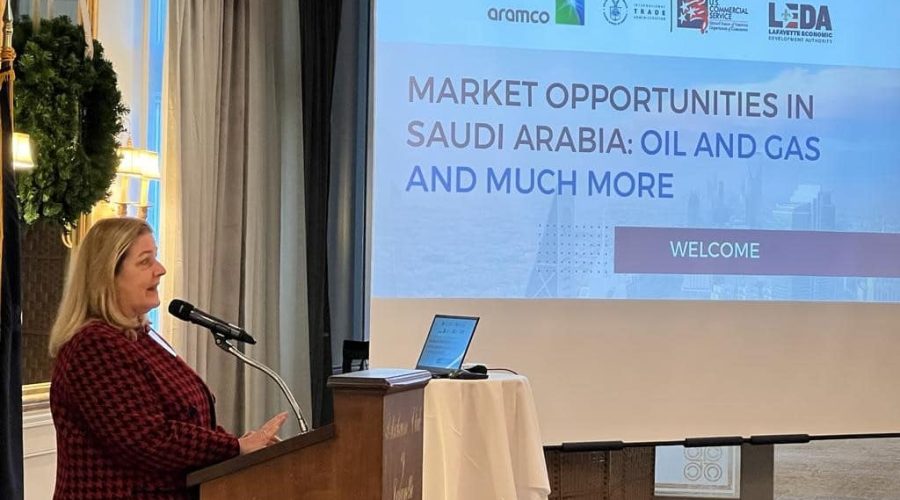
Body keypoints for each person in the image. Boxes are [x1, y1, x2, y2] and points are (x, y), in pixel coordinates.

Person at [48, 217, 286, 499]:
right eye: (145, 261)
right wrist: (233, 447)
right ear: (107, 274)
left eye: (156, 258)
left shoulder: (140, 337)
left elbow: (187, 420)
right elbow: (144, 438)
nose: (160, 270)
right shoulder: (93, 346)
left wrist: (237, 443)